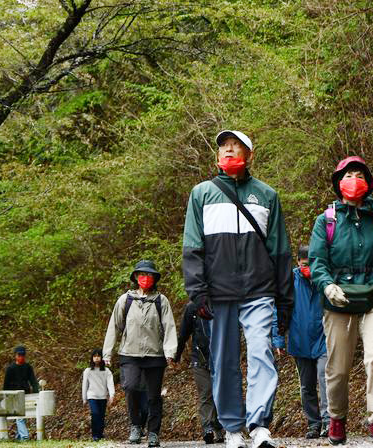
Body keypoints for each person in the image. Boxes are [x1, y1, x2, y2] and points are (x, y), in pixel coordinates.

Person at [182, 129, 293, 448]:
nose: (229, 151)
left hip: (259, 289)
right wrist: (198, 292)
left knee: (261, 351)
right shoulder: (201, 193)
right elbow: (192, 247)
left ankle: (259, 426)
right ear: (217, 156)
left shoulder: (267, 195)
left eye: (236, 147)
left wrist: (285, 301)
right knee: (224, 360)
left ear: (249, 155)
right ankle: (232, 429)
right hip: (219, 293)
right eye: (224, 147)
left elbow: (280, 251)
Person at [308, 156, 373, 445]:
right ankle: (337, 419)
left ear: (368, 183)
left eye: (359, 174)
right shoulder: (325, 221)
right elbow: (317, 262)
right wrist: (327, 286)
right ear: (338, 183)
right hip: (338, 301)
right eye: (348, 174)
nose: (354, 179)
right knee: (338, 368)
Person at [103, 259, 177, 448]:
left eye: (150, 275)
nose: (146, 278)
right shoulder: (125, 300)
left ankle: (153, 432)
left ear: (154, 279)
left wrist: (170, 352)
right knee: (131, 387)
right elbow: (114, 327)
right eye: (142, 275)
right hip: (129, 353)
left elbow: (169, 327)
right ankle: (136, 425)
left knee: (153, 396)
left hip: (155, 355)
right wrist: (107, 353)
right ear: (136, 277)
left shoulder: (161, 301)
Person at [286, 247, 328, 439]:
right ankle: (313, 424)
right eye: (304, 265)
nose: (308, 269)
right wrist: (278, 338)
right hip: (300, 341)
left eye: (310, 265)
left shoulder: (323, 278)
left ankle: (329, 421)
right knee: (307, 385)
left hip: (322, 339)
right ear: (298, 263)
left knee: (325, 378)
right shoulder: (290, 281)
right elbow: (280, 310)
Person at [175, 301, 224, 443]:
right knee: (206, 392)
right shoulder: (192, 307)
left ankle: (218, 426)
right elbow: (184, 333)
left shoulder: (222, 304)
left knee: (219, 392)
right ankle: (207, 427)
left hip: (220, 357)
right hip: (200, 357)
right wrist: (177, 354)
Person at [3, 345, 40, 440]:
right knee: (20, 417)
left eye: (23, 355)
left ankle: (19, 437)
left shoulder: (28, 367)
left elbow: (33, 381)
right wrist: (6, 397)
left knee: (22, 416)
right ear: (15, 356)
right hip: (14, 395)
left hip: (25, 395)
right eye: (19, 355)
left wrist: (37, 394)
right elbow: (6, 384)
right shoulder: (10, 368)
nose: (21, 357)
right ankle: (24, 437)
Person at [82, 349, 115, 440]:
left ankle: (100, 434)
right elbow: (85, 385)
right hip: (92, 396)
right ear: (92, 358)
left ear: (102, 358)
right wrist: (84, 398)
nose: (96, 358)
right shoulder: (88, 371)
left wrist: (112, 395)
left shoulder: (106, 371)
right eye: (94, 356)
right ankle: (95, 435)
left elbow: (110, 383)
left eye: (98, 356)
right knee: (95, 413)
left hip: (103, 396)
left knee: (101, 415)